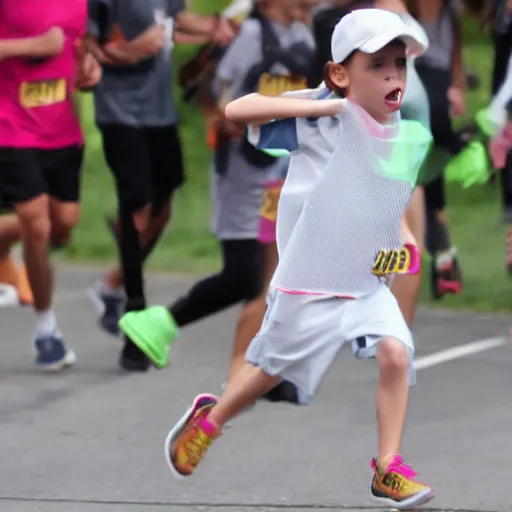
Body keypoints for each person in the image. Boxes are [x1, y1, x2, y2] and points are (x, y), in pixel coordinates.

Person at [162, 9, 435, 509]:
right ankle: (212, 419)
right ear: (339, 74)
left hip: (364, 278)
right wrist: (318, 110)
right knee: (269, 367)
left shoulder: (395, 129)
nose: (393, 76)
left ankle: (387, 468)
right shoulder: (316, 114)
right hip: (310, 277)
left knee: (397, 351)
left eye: (399, 64)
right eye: (378, 65)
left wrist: (405, 235)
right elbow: (236, 111)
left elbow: (387, 192)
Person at [118, 0, 318, 384]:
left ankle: (259, 370)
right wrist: (222, 117)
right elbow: (215, 92)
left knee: (273, 275)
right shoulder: (251, 35)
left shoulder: (300, 35)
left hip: (283, 171)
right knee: (243, 274)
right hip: (243, 170)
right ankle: (161, 321)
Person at [85, 0, 236, 372]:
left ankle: (111, 285)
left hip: (160, 112)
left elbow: (176, 18)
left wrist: (215, 26)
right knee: (136, 202)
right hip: (120, 111)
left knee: (163, 204)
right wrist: (132, 50)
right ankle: (134, 311)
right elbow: (86, 43)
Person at [0, 0, 101, 369]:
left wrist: (88, 65)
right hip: (10, 125)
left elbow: (80, 41)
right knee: (37, 223)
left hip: (60, 128)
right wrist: (33, 46)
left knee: (63, 224)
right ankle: (46, 330)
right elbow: (46, 41)